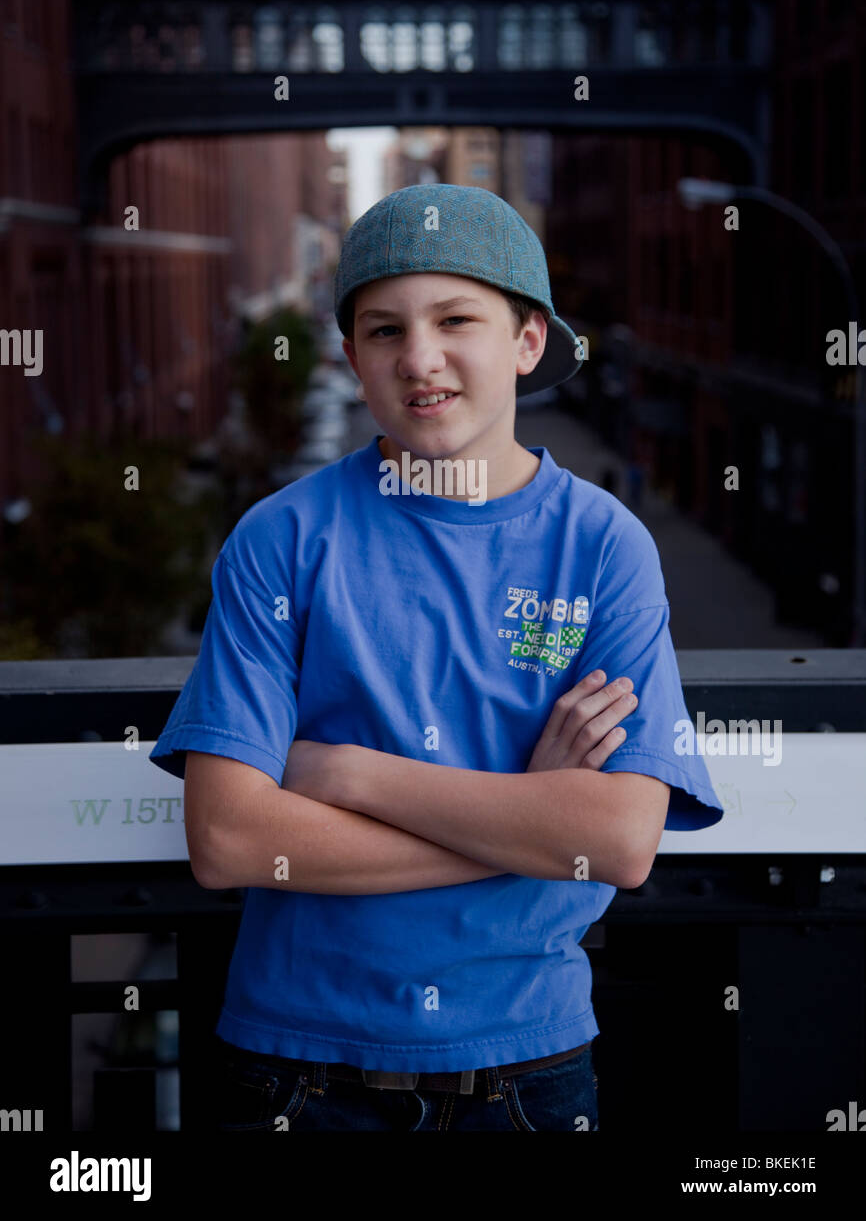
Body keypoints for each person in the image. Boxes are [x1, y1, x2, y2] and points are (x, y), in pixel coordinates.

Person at [149, 183, 724, 1132]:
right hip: (297, 1068)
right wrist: (528, 819)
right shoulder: (279, 541)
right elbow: (230, 841)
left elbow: (618, 841)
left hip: (527, 1068)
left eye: (457, 319)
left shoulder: (604, 545)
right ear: (351, 356)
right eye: (383, 331)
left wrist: (346, 774)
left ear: (527, 342)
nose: (421, 360)